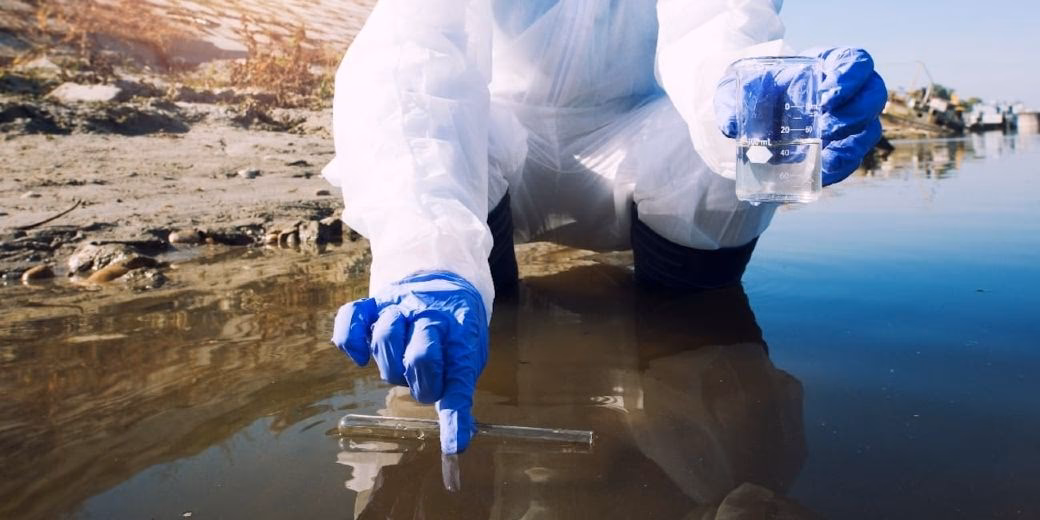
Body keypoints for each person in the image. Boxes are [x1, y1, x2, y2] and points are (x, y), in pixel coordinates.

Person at [325, 0, 886, 454]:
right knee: (427, 144)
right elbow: (415, 55)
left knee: (733, 161)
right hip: (497, 141)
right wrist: (424, 254)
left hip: (643, 137)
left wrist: (757, 94)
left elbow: (717, 26)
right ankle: (455, 294)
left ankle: (692, 362)